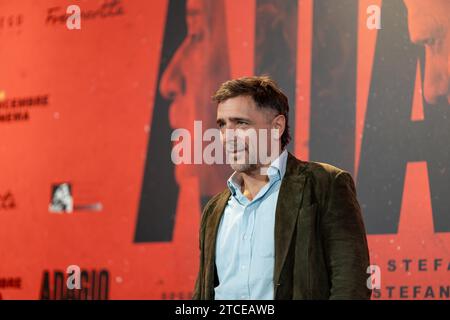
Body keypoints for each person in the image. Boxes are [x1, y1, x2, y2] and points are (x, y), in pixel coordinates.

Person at [193, 76, 371, 300]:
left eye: (241, 123)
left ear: (276, 126)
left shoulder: (326, 185)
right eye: (222, 124)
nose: (228, 136)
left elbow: (351, 285)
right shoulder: (214, 210)